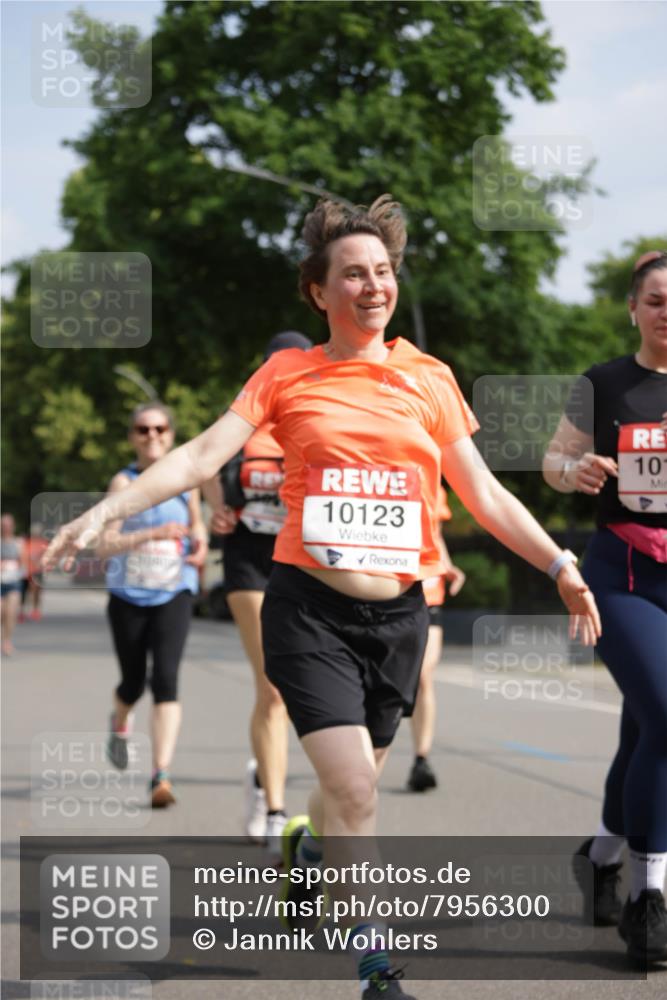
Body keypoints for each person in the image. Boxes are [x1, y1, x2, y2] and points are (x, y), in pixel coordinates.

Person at [44, 195, 600, 999]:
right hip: (307, 608)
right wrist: (105, 509)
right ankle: (376, 964)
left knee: (351, 786)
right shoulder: (286, 374)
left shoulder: (428, 378)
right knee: (357, 791)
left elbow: (481, 494)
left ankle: (304, 851)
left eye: (382, 272)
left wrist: (558, 564)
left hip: (399, 616)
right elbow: (200, 456)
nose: (372, 286)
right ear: (318, 291)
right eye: (353, 274)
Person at [543, 249, 667, 964]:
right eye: (654, 300)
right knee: (666, 717)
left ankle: (599, 857)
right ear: (632, 309)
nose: (665, 311)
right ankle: (648, 900)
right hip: (622, 577)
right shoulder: (604, 384)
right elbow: (553, 462)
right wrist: (577, 469)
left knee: (644, 732)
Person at [206, 331, 312, 859]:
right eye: (275, 364)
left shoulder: (315, 419)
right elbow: (202, 461)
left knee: (296, 690)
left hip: (304, 561)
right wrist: (216, 508)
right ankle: (274, 809)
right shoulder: (245, 418)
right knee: (272, 687)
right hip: (249, 562)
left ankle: (259, 772)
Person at [96, 402, 208, 807]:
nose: (152, 436)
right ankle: (120, 718)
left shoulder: (186, 482)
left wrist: (200, 543)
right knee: (133, 682)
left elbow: (196, 524)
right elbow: (104, 545)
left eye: (160, 429)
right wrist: (150, 534)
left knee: (166, 679)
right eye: (143, 430)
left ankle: (160, 774)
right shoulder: (122, 484)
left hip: (174, 590)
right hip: (128, 595)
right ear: (132, 437)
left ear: (171, 435)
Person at [407, 487, 465, 792]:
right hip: (393, 589)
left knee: (424, 675)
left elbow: (436, 534)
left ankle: (421, 758)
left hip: (430, 592)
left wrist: (447, 565)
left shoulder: (435, 488)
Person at [1, 514, 25, 656]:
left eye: (8, 525)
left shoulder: (18, 543)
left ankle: (7, 641)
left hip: (13, 582)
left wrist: (16, 569)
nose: (5, 528)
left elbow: (23, 565)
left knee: (10, 613)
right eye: (3, 525)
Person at [20, 522, 49, 622]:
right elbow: (22, 555)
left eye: (37, 531)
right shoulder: (26, 542)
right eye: (34, 531)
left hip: (38, 571)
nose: (35, 533)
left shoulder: (43, 543)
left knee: (37, 592)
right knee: (24, 592)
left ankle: (35, 610)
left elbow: (47, 556)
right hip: (26, 571)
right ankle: (21, 611)